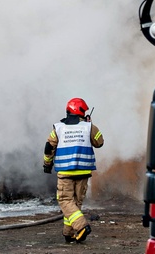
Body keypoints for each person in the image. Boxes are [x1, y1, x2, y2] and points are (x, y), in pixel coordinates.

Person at [43, 97, 104, 243]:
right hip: (83, 172)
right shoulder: (88, 127)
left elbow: (49, 148)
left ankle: (81, 226)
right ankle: (68, 233)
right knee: (75, 203)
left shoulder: (58, 129)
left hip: (66, 172)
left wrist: (47, 165)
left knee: (65, 200)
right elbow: (100, 142)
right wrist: (90, 124)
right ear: (81, 112)